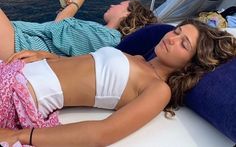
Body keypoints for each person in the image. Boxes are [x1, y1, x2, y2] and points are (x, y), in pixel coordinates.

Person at [0, 19, 235, 146]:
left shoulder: (158, 89)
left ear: (189, 64)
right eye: (177, 32)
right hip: (17, 70)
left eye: (184, 44)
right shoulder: (138, 58)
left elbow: (101, 134)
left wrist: (19, 136)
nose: (172, 39)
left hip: (15, 94)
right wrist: (52, 57)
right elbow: (89, 71)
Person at [0, 0, 158, 61]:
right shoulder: (103, 35)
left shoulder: (107, 38)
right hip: (18, 40)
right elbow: (61, 29)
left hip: (18, 45)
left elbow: (58, 27)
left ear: (127, 13)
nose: (112, 5)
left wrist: (77, 3)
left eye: (119, 4)